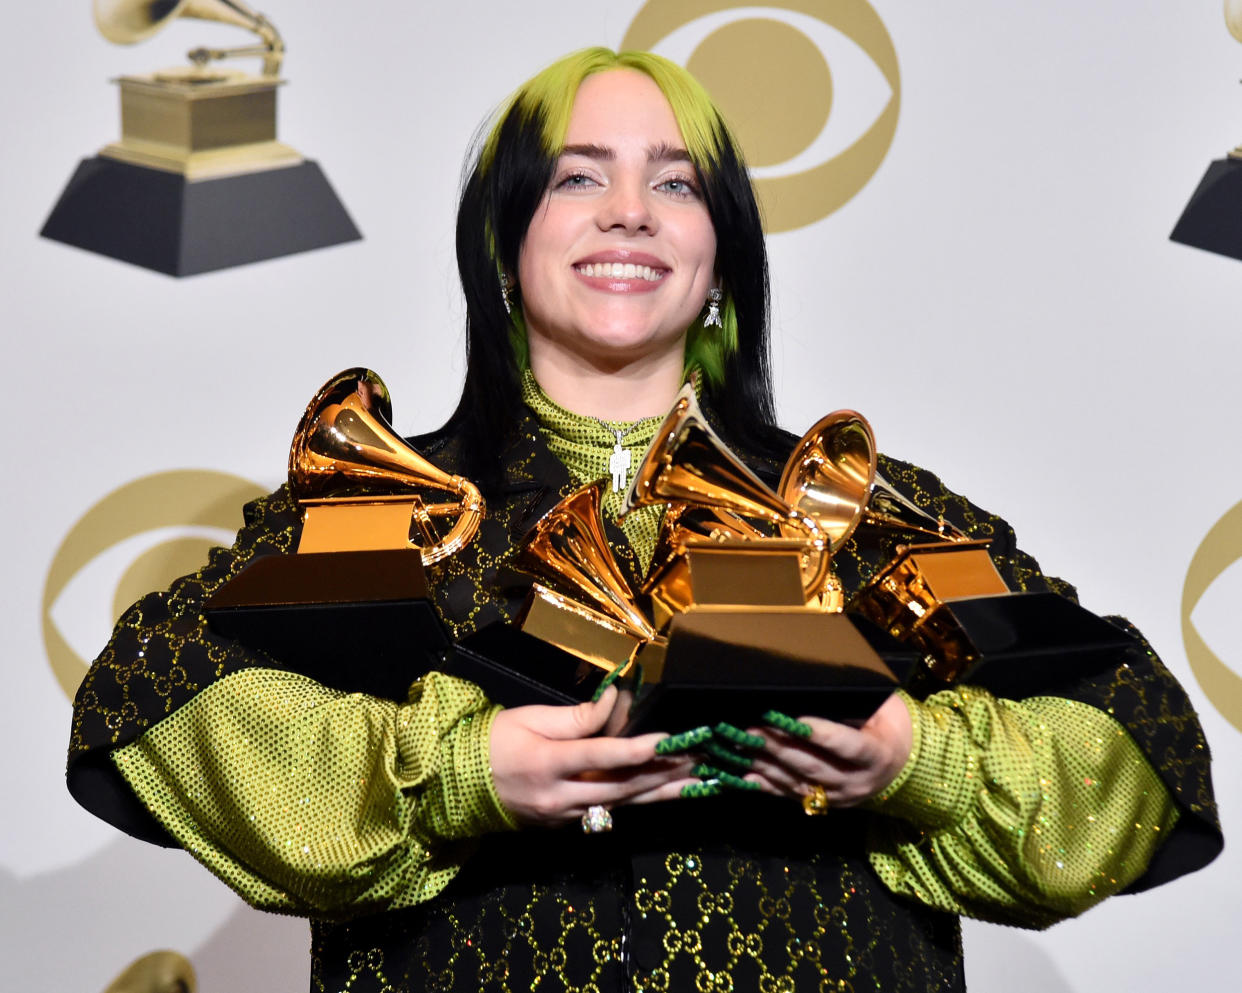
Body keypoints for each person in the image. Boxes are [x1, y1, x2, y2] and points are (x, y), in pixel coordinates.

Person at [67, 48, 1221, 993]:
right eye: (578, 178)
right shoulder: (373, 508)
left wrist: (915, 761)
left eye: (676, 183)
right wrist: (457, 772)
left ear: (721, 256)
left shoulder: (880, 519)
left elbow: (1134, 731)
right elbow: (154, 695)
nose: (629, 213)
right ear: (507, 248)